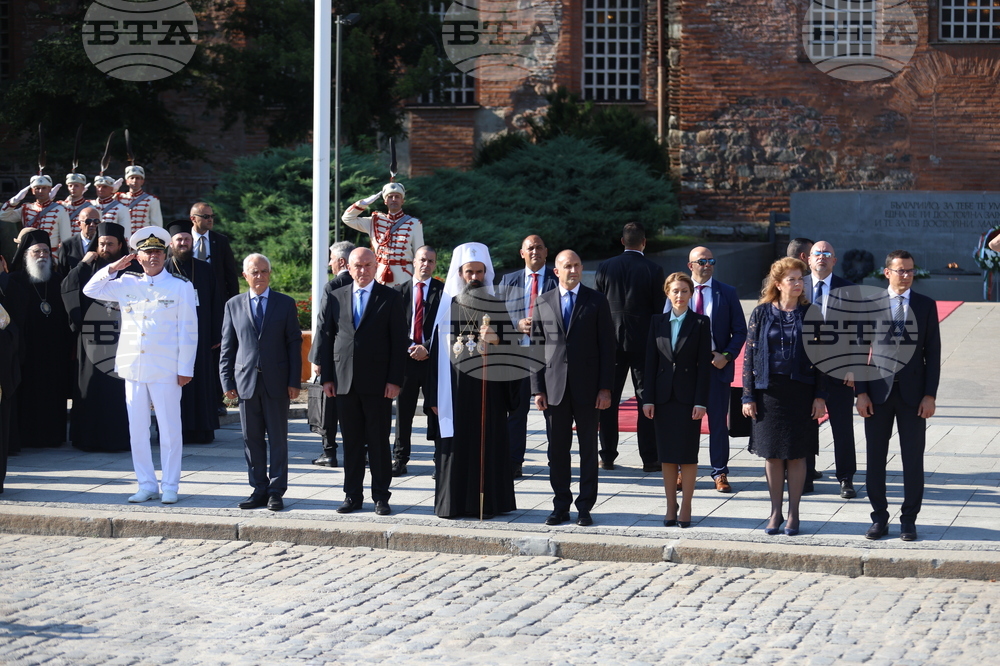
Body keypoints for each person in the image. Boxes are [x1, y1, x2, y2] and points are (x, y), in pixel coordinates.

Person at [83, 226, 197, 504]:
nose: (154, 257)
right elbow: (90, 289)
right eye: (148, 253)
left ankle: (170, 485)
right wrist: (113, 267)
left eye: (158, 252)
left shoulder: (180, 286)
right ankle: (146, 484)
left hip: (167, 368)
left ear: (165, 253)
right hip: (134, 367)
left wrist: (186, 368)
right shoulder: (126, 283)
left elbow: (189, 330)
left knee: (170, 430)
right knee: (137, 430)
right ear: (138, 257)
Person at [426, 242, 516, 519]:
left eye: (479, 272)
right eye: (469, 272)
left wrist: (496, 340)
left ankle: (488, 504)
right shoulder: (445, 308)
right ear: (460, 273)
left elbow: (513, 351)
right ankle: (452, 504)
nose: (474, 277)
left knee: (486, 446)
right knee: (454, 448)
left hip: (488, 395)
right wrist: (433, 398)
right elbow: (432, 357)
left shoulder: (497, 306)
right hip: (452, 395)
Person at [856, 250, 940, 542]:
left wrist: (930, 395)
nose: (905, 275)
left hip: (914, 396)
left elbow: (933, 353)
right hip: (877, 394)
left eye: (910, 270)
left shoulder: (926, 305)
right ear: (887, 272)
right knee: (875, 459)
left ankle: (909, 520)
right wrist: (861, 393)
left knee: (912, 460)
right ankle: (879, 518)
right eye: (900, 270)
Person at [316, 248, 406, 515]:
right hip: (344, 382)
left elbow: (399, 342)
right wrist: (328, 378)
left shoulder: (390, 297)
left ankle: (381, 496)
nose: (363, 270)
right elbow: (327, 337)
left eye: (368, 265)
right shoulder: (336, 296)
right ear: (349, 267)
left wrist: (395, 380)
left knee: (378, 442)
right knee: (352, 442)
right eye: (358, 266)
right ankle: (352, 495)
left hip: (379, 383)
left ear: (376, 266)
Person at [742, 257, 827, 537]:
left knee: (797, 454)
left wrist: (819, 396)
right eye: (792, 279)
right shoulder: (762, 312)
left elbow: (822, 359)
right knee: (773, 454)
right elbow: (750, 356)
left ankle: (794, 513)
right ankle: (775, 511)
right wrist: (748, 396)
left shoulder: (811, 313)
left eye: (800, 279)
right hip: (769, 392)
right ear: (778, 284)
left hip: (801, 391)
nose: (798, 284)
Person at [531, 250, 615, 527]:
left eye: (577, 265)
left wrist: (605, 389)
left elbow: (607, 349)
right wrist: (537, 389)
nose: (574, 270)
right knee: (557, 450)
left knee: (588, 449)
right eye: (568, 266)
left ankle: (585, 507)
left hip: (588, 390)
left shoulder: (597, 301)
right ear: (556, 271)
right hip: (554, 389)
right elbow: (536, 349)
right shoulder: (543, 302)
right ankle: (560, 505)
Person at [221, 253, 302, 512]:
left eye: (264, 271)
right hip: (245, 382)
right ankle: (258, 488)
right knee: (251, 438)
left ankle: (276, 491)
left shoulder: (285, 303)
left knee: (278, 439)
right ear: (245, 275)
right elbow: (227, 346)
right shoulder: (233, 305)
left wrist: (294, 381)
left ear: (270, 273)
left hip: (277, 382)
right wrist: (226, 382)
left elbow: (293, 344)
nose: (260, 276)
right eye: (254, 272)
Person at [60, 221, 137, 452]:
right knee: (91, 387)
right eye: (102, 244)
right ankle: (88, 438)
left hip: (122, 339)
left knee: (118, 390)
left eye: (110, 244)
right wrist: (84, 263)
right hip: (92, 340)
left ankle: (117, 439)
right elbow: (68, 287)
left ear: (120, 245)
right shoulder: (88, 268)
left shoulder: (132, 269)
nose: (105, 249)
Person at [642, 272, 712, 528]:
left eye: (684, 291)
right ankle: (671, 505)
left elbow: (704, 366)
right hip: (662, 398)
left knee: (687, 455)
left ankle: (687, 506)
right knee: (668, 455)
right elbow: (650, 362)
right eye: (675, 291)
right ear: (667, 293)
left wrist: (701, 401)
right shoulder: (657, 322)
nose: (680, 295)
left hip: (688, 398)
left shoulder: (701, 323)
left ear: (691, 293)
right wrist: (647, 398)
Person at [595, 222, 665, 472]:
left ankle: (608, 455)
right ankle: (649, 457)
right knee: (645, 399)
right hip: (643, 343)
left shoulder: (605, 267)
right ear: (644, 242)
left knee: (607, 399)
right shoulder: (654, 270)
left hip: (610, 342)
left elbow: (598, 306)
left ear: (622, 241)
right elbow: (659, 312)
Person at [687, 246, 747, 493]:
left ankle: (719, 472)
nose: (707, 264)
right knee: (685, 423)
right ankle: (683, 469)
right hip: (686, 370)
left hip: (716, 367)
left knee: (718, 424)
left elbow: (740, 331)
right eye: (702, 261)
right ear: (690, 265)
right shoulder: (679, 291)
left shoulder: (727, 292)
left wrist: (727, 355)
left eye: (711, 260)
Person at [498, 234, 558, 478]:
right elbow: (496, 320)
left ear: (546, 252)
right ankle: (514, 462)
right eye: (530, 248)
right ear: (521, 253)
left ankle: (557, 461)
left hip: (549, 357)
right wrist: (516, 325)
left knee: (554, 412)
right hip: (518, 354)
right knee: (516, 411)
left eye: (539, 247)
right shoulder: (508, 281)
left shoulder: (557, 281)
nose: (535, 251)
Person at [7, 230, 72, 449]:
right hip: (25, 351)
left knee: (52, 392)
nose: (43, 255)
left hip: (54, 350)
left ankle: (53, 436)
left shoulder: (57, 280)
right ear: (26, 254)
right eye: (37, 251)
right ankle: (27, 437)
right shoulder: (14, 281)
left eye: (46, 251)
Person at [803, 240, 858, 499]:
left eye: (827, 254)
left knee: (842, 427)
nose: (822, 257)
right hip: (804, 371)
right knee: (806, 423)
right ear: (808, 259)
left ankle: (846, 478)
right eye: (817, 253)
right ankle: (806, 475)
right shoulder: (797, 285)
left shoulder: (848, 290)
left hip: (840, 369)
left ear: (834, 260)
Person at [166, 219, 222, 443]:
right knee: (174, 384)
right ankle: (174, 431)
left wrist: (217, 334)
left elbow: (216, 302)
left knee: (201, 382)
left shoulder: (204, 268)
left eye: (187, 240)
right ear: (171, 243)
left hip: (201, 336)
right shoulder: (165, 269)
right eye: (179, 240)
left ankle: (202, 429)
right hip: (171, 339)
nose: (183, 243)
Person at [392, 245, 442, 477]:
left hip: (433, 360)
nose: (426, 264)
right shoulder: (399, 292)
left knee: (436, 410)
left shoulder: (443, 292)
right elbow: (394, 328)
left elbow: (445, 327)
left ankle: (440, 458)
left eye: (431, 261)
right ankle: (400, 459)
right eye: (422, 260)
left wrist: (427, 348)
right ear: (414, 262)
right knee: (404, 412)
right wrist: (410, 347)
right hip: (407, 360)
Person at [188, 202, 239, 416]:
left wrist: (233, 304)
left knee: (217, 349)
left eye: (212, 216)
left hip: (215, 305)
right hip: (189, 303)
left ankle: (216, 400)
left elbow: (230, 275)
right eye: (205, 216)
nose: (210, 220)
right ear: (194, 219)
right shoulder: (182, 240)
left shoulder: (220, 241)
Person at [309, 240, 355, 467]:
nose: (329, 263)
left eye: (331, 259)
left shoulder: (333, 285)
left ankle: (329, 452)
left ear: (341, 261)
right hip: (358, 359)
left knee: (329, 406)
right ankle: (360, 450)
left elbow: (323, 326)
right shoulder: (367, 283)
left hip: (335, 357)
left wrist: (317, 360)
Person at [342, 182, 425, 285]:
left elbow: (420, 255)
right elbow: (347, 218)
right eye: (390, 197)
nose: (394, 199)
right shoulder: (375, 221)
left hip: (404, 275)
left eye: (397, 197)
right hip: (379, 275)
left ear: (402, 201)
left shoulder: (414, 224)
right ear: (385, 201)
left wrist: (419, 280)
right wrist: (364, 203)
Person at [1, 175, 71, 260]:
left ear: (49, 189)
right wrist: (14, 201)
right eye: (37, 188)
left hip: (50, 256)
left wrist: (60, 259)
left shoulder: (60, 210)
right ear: (32, 191)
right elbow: (3, 216)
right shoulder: (26, 208)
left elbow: (66, 239)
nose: (41, 191)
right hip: (29, 256)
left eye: (44, 188)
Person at [115, 165, 162, 234]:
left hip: (143, 237)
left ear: (142, 181)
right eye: (132, 178)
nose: (135, 181)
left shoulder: (152, 199)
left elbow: (156, 223)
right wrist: (112, 190)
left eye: (138, 178)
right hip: (123, 236)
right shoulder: (118, 197)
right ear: (127, 181)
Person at [58, 206, 101, 274]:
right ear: (79, 224)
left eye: (96, 221)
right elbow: (62, 273)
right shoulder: (67, 246)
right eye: (88, 221)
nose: (92, 225)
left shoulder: (104, 244)